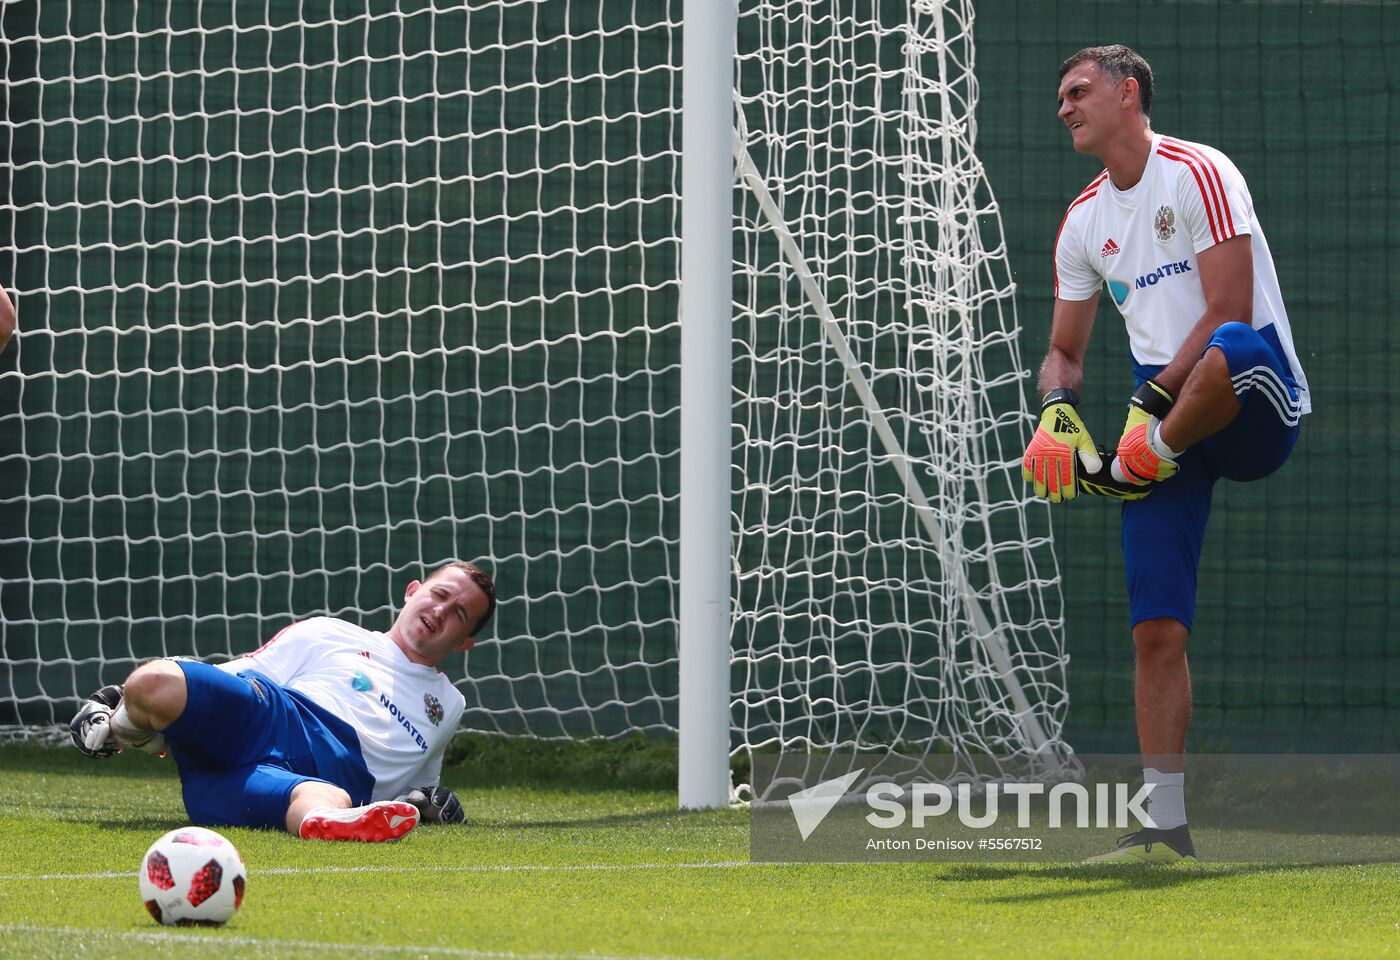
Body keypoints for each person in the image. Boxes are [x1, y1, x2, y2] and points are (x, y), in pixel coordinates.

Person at [1022, 45, 1309, 862]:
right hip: (1165, 422)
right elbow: (1065, 353)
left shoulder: (1197, 172)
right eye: (1059, 98)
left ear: (1129, 91)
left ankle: (1136, 461)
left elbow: (1232, 305)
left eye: (1078, 91)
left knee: (1227, 339)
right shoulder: (1081, 222)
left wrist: (1149, 420)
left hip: (1249, 394)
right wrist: (1055, 412)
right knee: (1154, 631)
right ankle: (1164, 824)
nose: (1065, 107)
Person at [70, 561, 496, 842]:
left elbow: (416, 789)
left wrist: (432, 803)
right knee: (156, 682)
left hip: (277, 784)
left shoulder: (449, 706)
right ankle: (124, 721)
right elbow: (233, 674)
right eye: (440, 595)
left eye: (458, 613)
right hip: (270, 717)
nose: (441, 611)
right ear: (412, 591)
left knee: (319, 801)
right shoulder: (329, 631)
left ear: (465, 643)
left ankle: (332, 825)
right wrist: (127, 692)